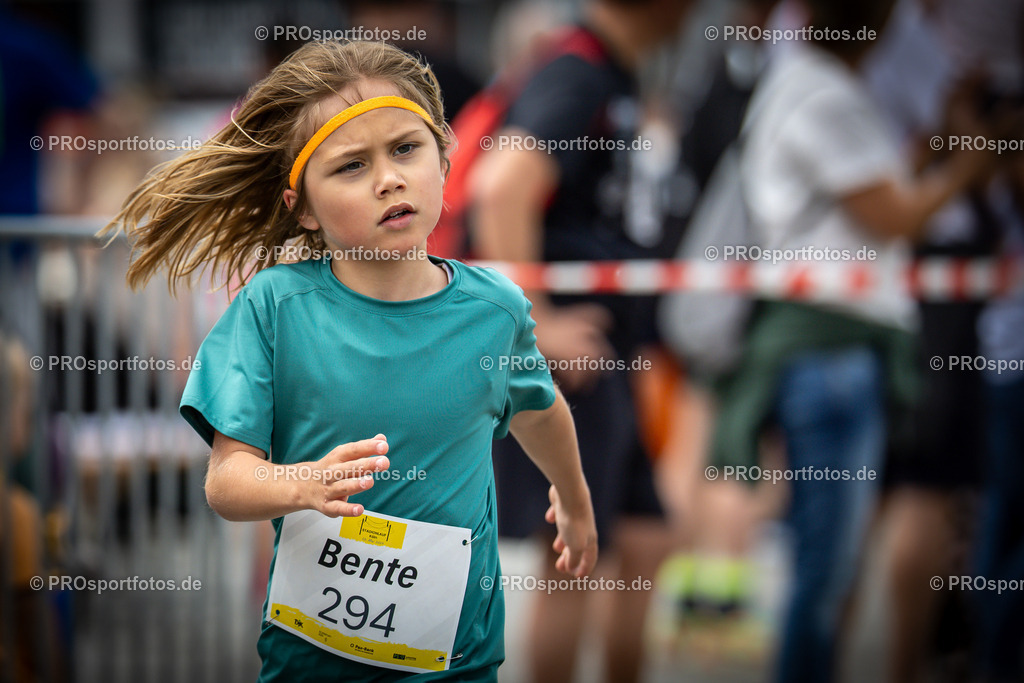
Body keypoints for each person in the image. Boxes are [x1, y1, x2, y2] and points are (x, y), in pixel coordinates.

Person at [102, 39, 598, 682]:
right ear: (302, 208)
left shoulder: (495, 310)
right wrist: (300, 483)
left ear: (445, 158)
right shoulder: (273, 308)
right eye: (351, 166)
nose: (388, 178)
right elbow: (225, 483)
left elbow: (541, 412)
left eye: (406, 149)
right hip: (311, 666)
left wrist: (573, 498)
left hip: (458, 663)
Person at [709, 0, 995, 680]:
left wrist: (943, 141)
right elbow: (896, 213)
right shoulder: (822, 92)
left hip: (827, 347)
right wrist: (973, 161)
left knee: (825, 562)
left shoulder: (806, 84)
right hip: (830, 348)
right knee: (826, 568)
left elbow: (880, 185)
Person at [470, 1, 687, 681]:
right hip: (574, 361)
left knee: (646, 540)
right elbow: (499, 187)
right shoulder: (577, 69)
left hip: (605, 354)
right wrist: (538, 324)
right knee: (576, 559)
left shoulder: (609, 72)